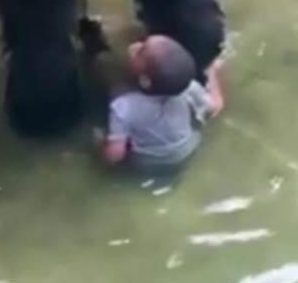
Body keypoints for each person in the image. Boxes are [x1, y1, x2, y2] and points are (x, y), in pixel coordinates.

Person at [79, 19, 225, 173]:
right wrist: (212, 73)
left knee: (97, 134)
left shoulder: (124, 106)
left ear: (145, 80)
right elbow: (216, 106)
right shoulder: (189, 87)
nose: (136, 46)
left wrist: (98, 147)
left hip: (148, 161)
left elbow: (116, 154)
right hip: (187, 149)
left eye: (141, 50)